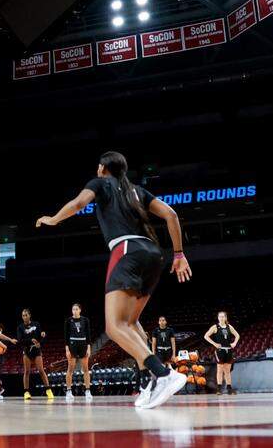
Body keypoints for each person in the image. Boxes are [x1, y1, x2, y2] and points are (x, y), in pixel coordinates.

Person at [35, 151, 191, 410]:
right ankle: (148, 383)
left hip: (126, 250)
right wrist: (179, 253)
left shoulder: (100, 183)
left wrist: (52, 219)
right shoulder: (137, 190)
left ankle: (162, 374)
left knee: (114, 326)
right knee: (130, 322)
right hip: (153, 254)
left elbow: (77, 204)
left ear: (102, 168)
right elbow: (171, 215)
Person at [16, 308, 52, 399]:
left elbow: (41, 336)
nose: (24, 317)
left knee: (41, 370)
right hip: (27, 350)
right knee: (27, 371)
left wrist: (43, 337)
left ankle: (48, 390)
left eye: (26, 315)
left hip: (36, 350)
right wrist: (30, 340)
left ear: (29, 315)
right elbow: (20, 340)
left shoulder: (36, 324)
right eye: (23, 315)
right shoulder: (20, 327)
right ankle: (26, 392)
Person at [203, 311, 239, 395]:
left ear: (226, 318)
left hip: (229, 350)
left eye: (223, 317)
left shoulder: (229, 327)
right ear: (218, 318)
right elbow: (206, 336)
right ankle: (218, 389)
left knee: (227, 371)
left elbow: (237, 335)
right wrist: (214, 343)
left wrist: (234, 343)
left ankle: (229, 388)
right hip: (220, 350)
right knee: (220, 370)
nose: (221, 318)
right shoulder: (215, 327)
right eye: (220, 317)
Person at [64, 303, 92, 401]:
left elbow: (88, 335)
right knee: (70, 369)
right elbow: (66, 337)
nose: (74, 311)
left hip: (83, 344)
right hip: (72, 345)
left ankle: (87, 391)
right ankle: (68, 391)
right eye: (73, 309)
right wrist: (67, 349)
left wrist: (89, 348)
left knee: (85, 369)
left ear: (80, 310)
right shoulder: (68, 321)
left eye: (76, 309)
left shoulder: (85, 320)